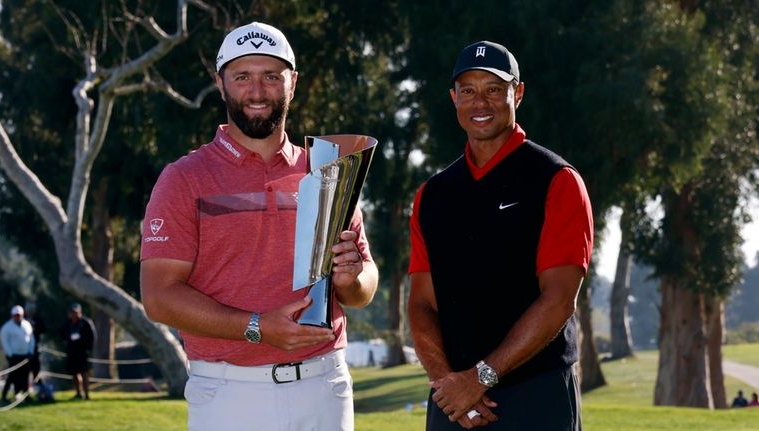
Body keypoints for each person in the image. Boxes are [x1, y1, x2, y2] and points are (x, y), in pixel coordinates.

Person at [140, 21, 378, 431]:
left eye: (271, 76)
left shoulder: (327, 168)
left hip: (324, 385)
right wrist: (256, 328)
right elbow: (159, 297)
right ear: (221, 83)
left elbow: (362, 289)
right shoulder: (185, 178)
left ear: (293, 82)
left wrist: (353, 277)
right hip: (229, 393)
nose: (256, 91)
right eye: (242, 77)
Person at [407, 40, 593, 430]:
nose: (480, 103)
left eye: (494, 89)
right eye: (469, 91)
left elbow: (559, 299)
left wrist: (480, 378)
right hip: (453, 401)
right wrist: (448, 383)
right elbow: (422, 304)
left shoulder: (556, 180)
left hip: (536, 395)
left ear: (518, 93)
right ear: (453, 97)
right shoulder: (433, 195)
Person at [0, 305, 35, 402]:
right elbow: (5, 341)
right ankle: (4, 395)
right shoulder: (7, 327)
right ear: (12, 315)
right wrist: (10, 354)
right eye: (15, 315)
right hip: (14, 355)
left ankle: (24, 394)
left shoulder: (26, 324)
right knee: (12, 376)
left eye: (19, 315)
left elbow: (31, 338)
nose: (17, 317)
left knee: (25, 376)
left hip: (25, 355)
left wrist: (31, 351)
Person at [60, 302, 95, 400]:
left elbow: (92, 337)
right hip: (72, 352)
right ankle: (78, 393)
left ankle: (87, 394)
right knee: (74, 373)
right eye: (72, 312)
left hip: (82, 352)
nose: (74, 314)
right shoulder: (67, 323)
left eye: (76, 312)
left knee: (84, 373)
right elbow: (62, 333)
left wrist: (88, 348)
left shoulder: (85, 323)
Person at [24, 301, 47, 387]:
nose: (30, 311)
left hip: (35, 348)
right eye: (28, 310)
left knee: (36, 369)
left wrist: (34, 324)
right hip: (23, 349)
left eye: (32, 310)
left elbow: (44, 329)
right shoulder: (22, 319)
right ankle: (25, 391)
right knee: (25, 371)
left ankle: (39, 390)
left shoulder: (38, 319)